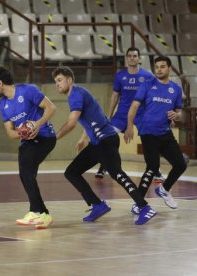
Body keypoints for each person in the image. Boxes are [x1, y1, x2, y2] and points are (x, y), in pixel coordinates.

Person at [52, 66, 156, 225]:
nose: (57, 84)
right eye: (55, 82)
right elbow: (93, 117)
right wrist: (83, 137)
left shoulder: (76, 94)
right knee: (72, 172)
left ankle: (145, 207)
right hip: (97, 143)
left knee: (117, 174)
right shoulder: (78, 93)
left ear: (69, 80)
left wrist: (54, 138)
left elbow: (71, 123)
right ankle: (98, 205)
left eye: (59, 80)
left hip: (106, 141)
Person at [0, 67, 57, 230]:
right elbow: (10, 133)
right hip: (27, 141)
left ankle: (36, 211)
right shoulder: (3, 104)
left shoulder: (27, 91)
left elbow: (51, 108)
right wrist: (22, 132)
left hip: (45, 136)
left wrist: (36, 124)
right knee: (27, 173)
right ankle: (43, 215)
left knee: (26, 171)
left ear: (0, 83)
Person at [124, 56, 187, 212]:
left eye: (162, 66)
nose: (159, 69)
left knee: (180, 164)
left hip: (165, 133)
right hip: (148, 131)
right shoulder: (147, 85)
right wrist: (129, 126)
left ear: (169, 69)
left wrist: (176, 116)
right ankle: (139, 202)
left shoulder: (176, 89)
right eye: (157, 66)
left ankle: (164, 189)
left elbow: (181, 113)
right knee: (152, 167)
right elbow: (134, 106)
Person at [95, 47, 164, 184]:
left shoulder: (148, 76)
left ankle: (155, 170)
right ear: (127, 58)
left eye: (135, 56)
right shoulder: (120, 76)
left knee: (149, 141)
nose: (132, 58)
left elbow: (154, 96)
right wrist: (109, 115)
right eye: (130, 56)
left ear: (139, 58)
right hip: (121, 114)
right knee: (108, 138)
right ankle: (104, 166)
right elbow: (115, 96)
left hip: (141, 114)